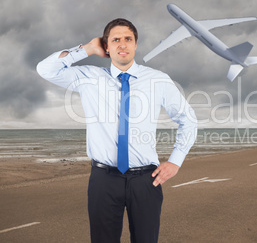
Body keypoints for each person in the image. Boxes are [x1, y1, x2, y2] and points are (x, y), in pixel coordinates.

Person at [36, 18, 197, 243]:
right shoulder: (89, 77)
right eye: (116, 40)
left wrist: (175, 161)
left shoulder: (158, 80)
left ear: (135, 45)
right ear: (107, 47)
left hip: (146, 179)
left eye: (128, 39)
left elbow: (188, 119)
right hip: (104, 178)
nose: (122, 44)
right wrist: (88, 49)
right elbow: (45, 69)